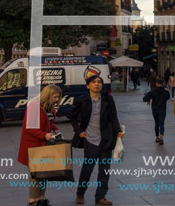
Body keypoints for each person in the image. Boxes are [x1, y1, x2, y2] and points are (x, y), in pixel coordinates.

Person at [68, 74, 123, 205]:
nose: (97, 84)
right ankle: (80, 193)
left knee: (104, 170)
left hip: (106, 140)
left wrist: (118, 131)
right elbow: (73, 117)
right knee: (87, 169)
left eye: (99, 82)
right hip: (90, 140)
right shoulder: (82, 101)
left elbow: (114, 117)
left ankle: (100, 196)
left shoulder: (108, 100)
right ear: (88, 86)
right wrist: (79, 131)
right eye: (94, 82)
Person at [17, 84, 62, 206]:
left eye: (58, 97)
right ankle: (32, 202)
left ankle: (41, 199)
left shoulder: (49, 107)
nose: (57, 100)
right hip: (33, 146)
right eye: (55, 97)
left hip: (44, 145)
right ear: (48, 95)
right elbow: (29, 128)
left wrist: (55, 129)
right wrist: (44, 135)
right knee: (35, 175)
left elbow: (49, 122)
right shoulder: (34, 106)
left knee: (44, 173)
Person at [143, 78, 170, 144]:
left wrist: (148, 99)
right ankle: (161, 136)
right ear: (163, 84)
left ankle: (157, 137)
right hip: (162, 109)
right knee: (161, 123)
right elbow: (167, 97)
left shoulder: (153, 91)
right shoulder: (166, 92)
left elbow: (144, 99)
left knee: (156, 123)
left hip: (155, 109)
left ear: (156, 84)